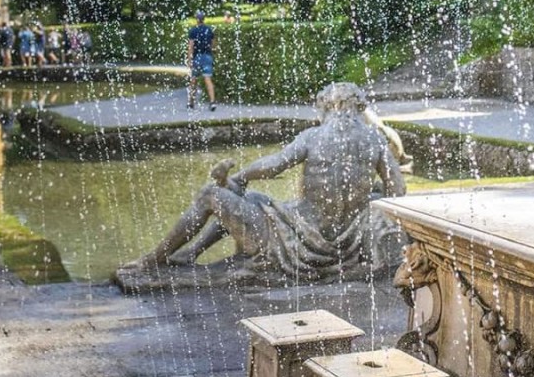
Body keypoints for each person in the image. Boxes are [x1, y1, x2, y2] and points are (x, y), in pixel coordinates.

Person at [119, 82, 405, 284]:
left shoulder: (312, 137)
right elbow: (398, 192)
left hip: (296, 246)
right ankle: (190, 253)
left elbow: (273, 165)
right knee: (255, 200)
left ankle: (151, 261)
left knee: (210, 195)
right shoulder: (375, 141)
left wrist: (240, 177)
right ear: (357, 107)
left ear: (328, 106)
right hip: (341, 243)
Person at [187, 10, 215, 110]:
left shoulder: (193, 31)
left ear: (197, 19)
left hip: (197, 57)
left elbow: (191, 46)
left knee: (193, 80)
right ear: (204, 19)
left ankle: (191, 102)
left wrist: (189, 59)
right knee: (208, 79)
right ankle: (212, 102)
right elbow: (213, 45)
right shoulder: (209, 30)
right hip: (207, 56)